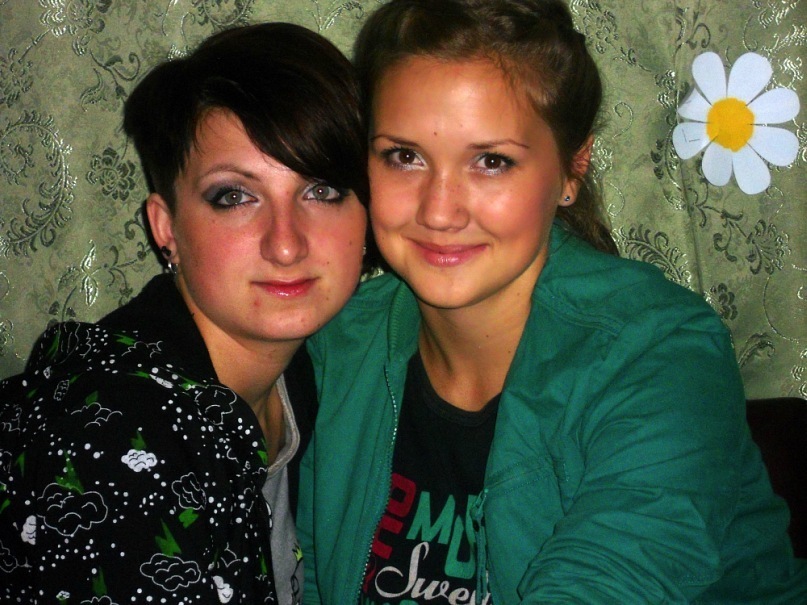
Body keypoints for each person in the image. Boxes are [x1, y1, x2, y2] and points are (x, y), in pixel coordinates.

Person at [297, 0, 807, 603]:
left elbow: (608, 583)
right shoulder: (338, 343)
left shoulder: (662, 353)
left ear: (572, 168)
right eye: (404, 156)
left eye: (491, 162)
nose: (438, 211)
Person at [0, 22, 370, 604]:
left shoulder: (314, 372)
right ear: (166, 227)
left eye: (321, 190)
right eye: (234, 196)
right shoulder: (120, 444)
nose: (286, 244)